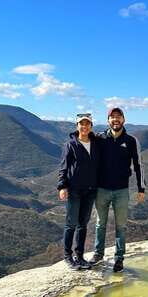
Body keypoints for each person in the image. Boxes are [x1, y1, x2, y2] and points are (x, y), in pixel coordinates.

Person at [90, 107, 145, 272]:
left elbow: (138, 165)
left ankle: (119, 259)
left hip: (122, 190)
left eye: (118, 117)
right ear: (108, 120)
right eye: (112, 117)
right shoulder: (99, 138)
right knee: (100, 224)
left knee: (121, 226)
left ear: (123, 120)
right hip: (101, 189)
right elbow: (81, 141)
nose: (115, 120)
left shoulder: (131, 141)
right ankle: (98, 255)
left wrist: (141, 188)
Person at [57, 112, 100, 270]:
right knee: (71, 224)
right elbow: (64, 167)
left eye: (87, 123)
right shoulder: (70, 144)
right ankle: (68, 257)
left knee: (83, 224)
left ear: (91, 126)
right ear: (77, 126)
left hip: (90, 190)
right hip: (74, 189)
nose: (84, 126)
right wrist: (62, 186)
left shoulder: (96, 143)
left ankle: (80, 256)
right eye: (81, 124)